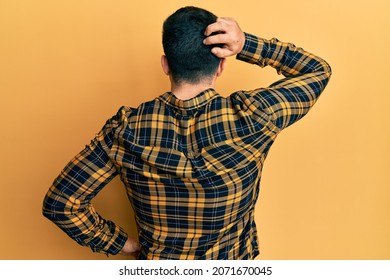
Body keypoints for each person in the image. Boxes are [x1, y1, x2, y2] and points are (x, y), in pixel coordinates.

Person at [42, 6, 332, 260]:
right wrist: (246, 44)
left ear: (165, 64)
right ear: (221, 65)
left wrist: (125, 245)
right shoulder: (255, 116)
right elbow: (317, 70)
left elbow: (61, 204)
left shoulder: (125, 130)